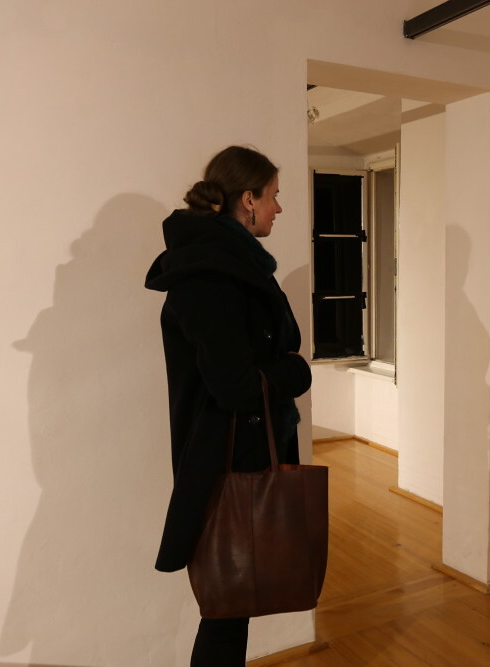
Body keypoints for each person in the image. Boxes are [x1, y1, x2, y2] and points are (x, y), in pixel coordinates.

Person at [144, 146, 312, 665]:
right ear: (248, 199)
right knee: (226, 604)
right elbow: (235, 385)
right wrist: (297, 372)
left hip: (238, 454)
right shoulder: (210, 275)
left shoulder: (232, 266)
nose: (279, 208)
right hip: (225, 461)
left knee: (232, 601)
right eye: (274, 196)